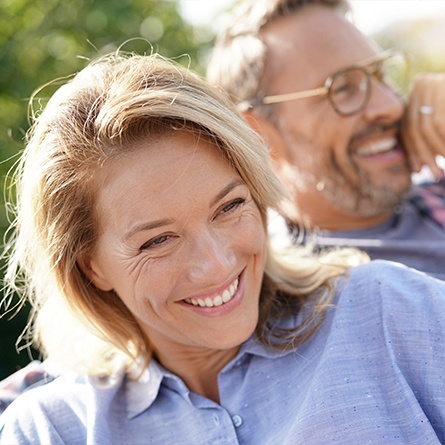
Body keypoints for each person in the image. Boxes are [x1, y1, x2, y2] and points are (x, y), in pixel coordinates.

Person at [1, 51, 445, 444]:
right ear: (91, 265)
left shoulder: (390, 313)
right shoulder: (49, 431)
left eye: (229, 206)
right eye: (157, 240)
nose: (216, 264)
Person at [207, 0, 445, 280]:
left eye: (381, 74)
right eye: (342, 88)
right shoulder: (298, 300)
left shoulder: (435, 188)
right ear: (257, 134)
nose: (391, 105)